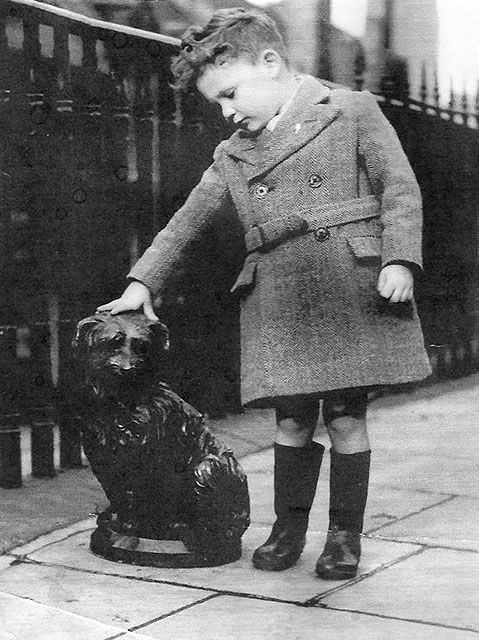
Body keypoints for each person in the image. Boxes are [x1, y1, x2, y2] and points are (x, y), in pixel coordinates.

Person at [98, 8, 431, 579]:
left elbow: (400, 190)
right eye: (218, 103)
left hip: (348, 281)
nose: (227, 112)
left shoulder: (351, 111)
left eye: (230, 94)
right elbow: (186, 222)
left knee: (347, 417)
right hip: (280, 291)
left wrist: (400, 258)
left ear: (270, 63)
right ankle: (289, 527)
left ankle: (344, 537)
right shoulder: (233, 154)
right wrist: (141, 281)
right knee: (291, 419)